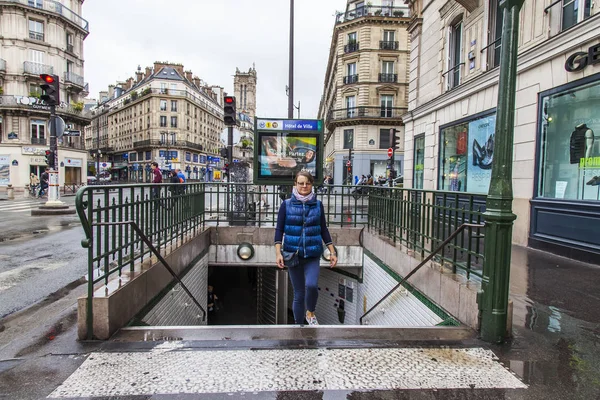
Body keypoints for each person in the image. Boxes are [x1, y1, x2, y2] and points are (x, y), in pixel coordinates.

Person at [274, 171, 338, 325]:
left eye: (307, 183)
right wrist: (278, 253)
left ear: (311, 185)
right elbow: (279, 230)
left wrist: (332, 251)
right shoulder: (286, 204)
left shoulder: (318, 205)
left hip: (312, 253)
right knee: (298, 293)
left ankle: (310, 312)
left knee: (311, 285)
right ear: (295, 185)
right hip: (292, 255)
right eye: (301, 183)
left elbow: (323, 229)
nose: (304, 186)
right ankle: (298, 325)